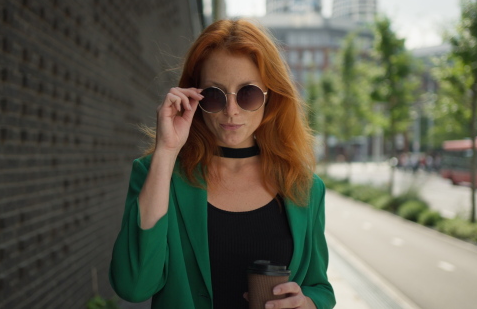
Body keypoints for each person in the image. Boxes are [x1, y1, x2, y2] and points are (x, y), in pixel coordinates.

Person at [109, 19, 336, 309]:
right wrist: (166, 151)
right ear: (194, 96)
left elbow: (320, 287)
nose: (231, 111)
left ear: (272, 97)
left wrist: (308, 304)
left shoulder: (304, 186)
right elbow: (134, 285)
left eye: (248, 93)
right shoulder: (159, 174)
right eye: (215, 95)